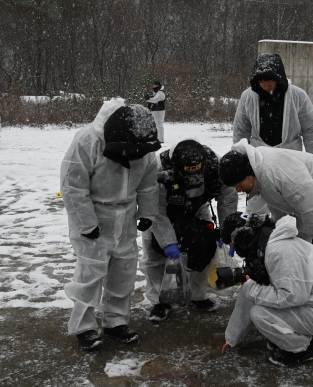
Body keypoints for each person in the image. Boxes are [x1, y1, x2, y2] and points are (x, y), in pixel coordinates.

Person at [60, 99, 161, 350]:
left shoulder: (144, 144)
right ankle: (84, 327)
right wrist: (86, 223)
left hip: (125, 216)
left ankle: (115, 321)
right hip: (95, 214)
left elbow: (149, 183)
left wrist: (147, 212)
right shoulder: (87, 141)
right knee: (90, 274)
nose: (130, 156)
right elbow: (73, 186)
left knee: (124, 273)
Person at [219, 212, 313, 367]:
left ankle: (303, 349)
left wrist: (253, 289)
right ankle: (292, 337)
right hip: (311, 304)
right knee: (258, 299)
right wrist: (232, 338)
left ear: (242, 237)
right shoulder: (263, 246)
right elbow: (247, 295)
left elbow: (292, 296)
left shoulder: (280, 251)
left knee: (259, 313)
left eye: (232, 245)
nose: (235, 250)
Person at [218, 139, 313, 275]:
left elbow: (311, 203)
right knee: (299, 254)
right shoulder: (259, 173)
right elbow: (279, 207)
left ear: (248, 175)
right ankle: (303, 290)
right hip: (308, 208)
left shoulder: (275, 170)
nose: (238, 190)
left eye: (238, 185)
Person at [139, 139, 238, 322]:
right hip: (163, 211)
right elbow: (156, 210)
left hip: (198, 208)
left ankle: (198, 296)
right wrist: (168, 242)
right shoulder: (159, 169)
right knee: (154, 255)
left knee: (202, 247)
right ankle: (160, 302)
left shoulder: (217, 167)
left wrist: (226, 230)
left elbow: (228, 200)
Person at [233, 53, 313, 157]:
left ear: (278, 78)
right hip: (259, 158)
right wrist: (240, 159)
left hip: (291, 157)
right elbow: (241, 131)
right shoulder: (247, 97)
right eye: (262, 82)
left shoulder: (298, 96)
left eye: (270, 81)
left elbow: (311, 129)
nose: (266, 86)